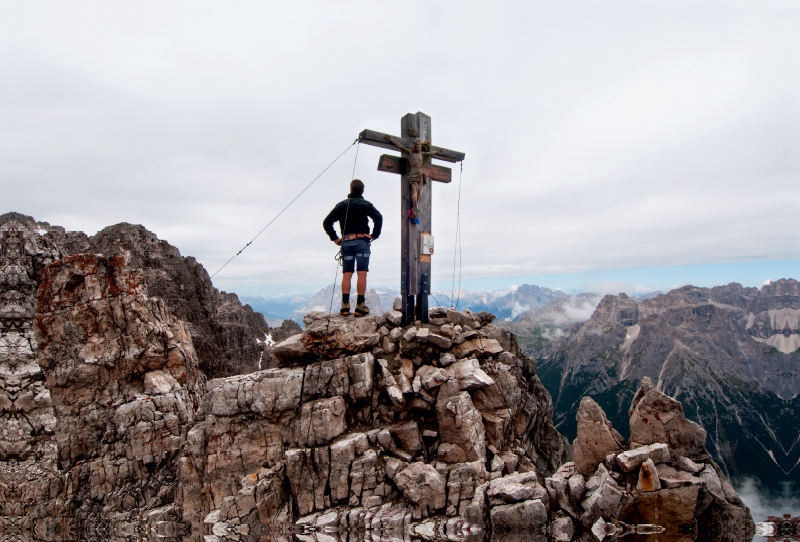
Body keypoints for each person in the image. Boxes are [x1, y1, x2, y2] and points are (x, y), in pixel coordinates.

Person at [323, 179, 383, 317]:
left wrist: (335, 238)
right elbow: (378, 217)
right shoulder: (366, 205)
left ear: (350, 190)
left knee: (347, 273)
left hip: (346, 243)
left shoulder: (341, 206)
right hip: (362, 241)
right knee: (362, 272)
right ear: (362, 191)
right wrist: (374, 235)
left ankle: (345, 306)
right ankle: (360, 306)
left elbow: (327, 222)